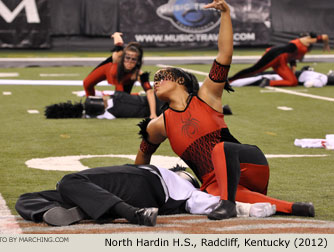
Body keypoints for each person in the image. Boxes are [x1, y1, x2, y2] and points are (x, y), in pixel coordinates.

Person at [134, 0, 314, 220]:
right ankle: (295, 208)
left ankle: (228, 205)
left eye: (162, 76)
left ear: (180, 79)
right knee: (208, 192)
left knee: (220, 150)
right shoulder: (158, 125)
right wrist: (137, 188)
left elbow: (224, 54)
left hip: (248, 164)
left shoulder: (207, 95)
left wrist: (226, 14)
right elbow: (142, 159)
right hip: (218, 185)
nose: (156, 81)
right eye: (154, 79)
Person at [15, 164, 276, 227]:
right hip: (108, 193)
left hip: (139, 190)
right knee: (26, 198)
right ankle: (89, 209)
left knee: (69, 181)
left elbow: (200, 201)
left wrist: (249, 209)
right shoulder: (180, 190)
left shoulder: (178, 182)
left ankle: (131, 214)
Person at [83, 32, 158, 119]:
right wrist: (116, 35)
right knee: (87, 83)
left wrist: (153, 113)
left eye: (133, 59)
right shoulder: (117, 56)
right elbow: (119, 44)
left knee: (121, 99)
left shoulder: (138, 73)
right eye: (127, 58)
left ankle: (109, 107)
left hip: (122, 81)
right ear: (123, 57)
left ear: (137, 61)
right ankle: (91, 105)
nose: (129, 61)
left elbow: (149, 92)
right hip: (108, 69)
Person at [228, 32, 330, 87]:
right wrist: (326, 45)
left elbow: (293, 58)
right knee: (254, 70)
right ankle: (229, 80)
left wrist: (292, 69)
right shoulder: (306, 41)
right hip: (275, 55)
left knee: (293, 82)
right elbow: (325, 37)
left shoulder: (304, 47)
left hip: (282, 61)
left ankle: (268, 82)